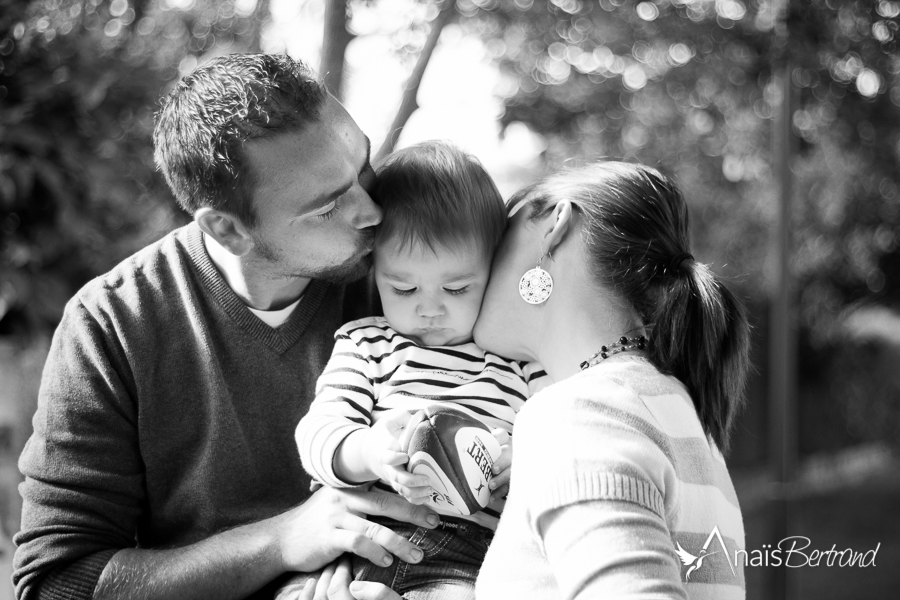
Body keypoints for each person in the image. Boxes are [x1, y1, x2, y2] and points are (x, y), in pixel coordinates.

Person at [13, 53, 436, 600]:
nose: (371, 210)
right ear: (227, 229)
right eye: (330, 205)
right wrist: (284, 540)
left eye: (362, 166)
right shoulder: (113, 324)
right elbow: (56, 582)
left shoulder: (416, 278)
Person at [473, 162, 750, 599]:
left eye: (499, 231)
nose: (478, 262)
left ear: (554, 225)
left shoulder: (579, 415)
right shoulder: (682, 422)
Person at [296, 141, 547, 600]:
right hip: (365, 542)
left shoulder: (522, 360)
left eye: (456, 288)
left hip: (472, 559)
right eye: (404, 287)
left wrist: (524, 465)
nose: (429, 309)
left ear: (495, 269)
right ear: (374, 274)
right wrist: (369, 451)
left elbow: (565, 448)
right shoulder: (367, 344)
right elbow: (316, 435)